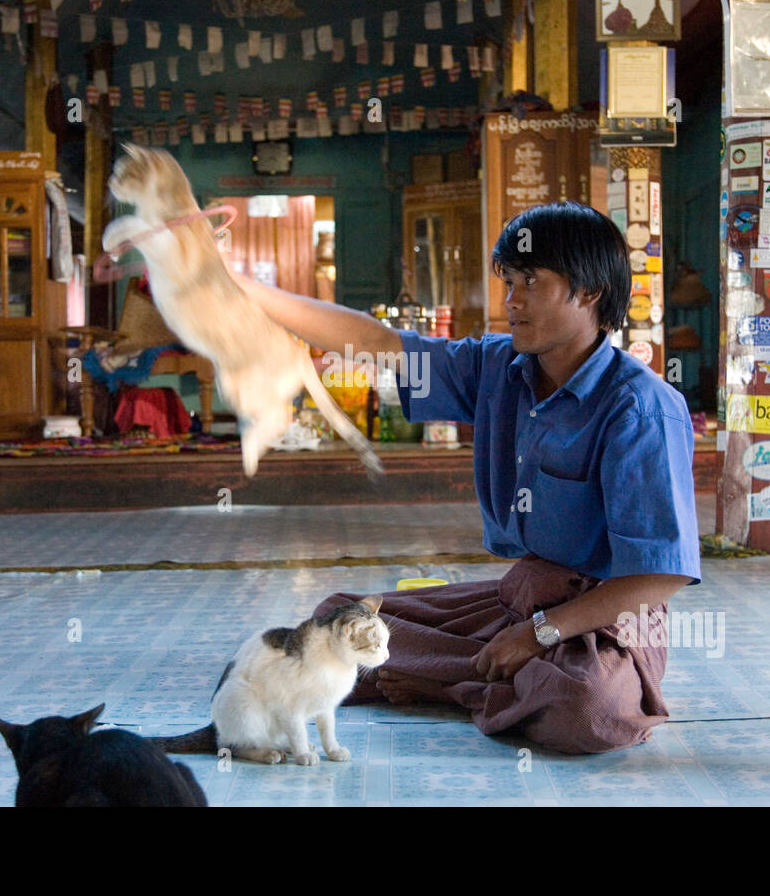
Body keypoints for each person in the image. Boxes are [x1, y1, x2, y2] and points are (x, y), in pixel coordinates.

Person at [232, 201, 701, 754]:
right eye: (508, 282)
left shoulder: (641, 408)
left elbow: (658, 578)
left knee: (590, 708)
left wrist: (539, 633)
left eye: (531, 281)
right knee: (338, 617)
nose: (512, 300)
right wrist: (246, 290)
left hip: (600, 623)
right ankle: (483, 674)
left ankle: (454, 682)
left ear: (590, 291)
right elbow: (380, 345)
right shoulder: (495, 367)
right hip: (516, 599)